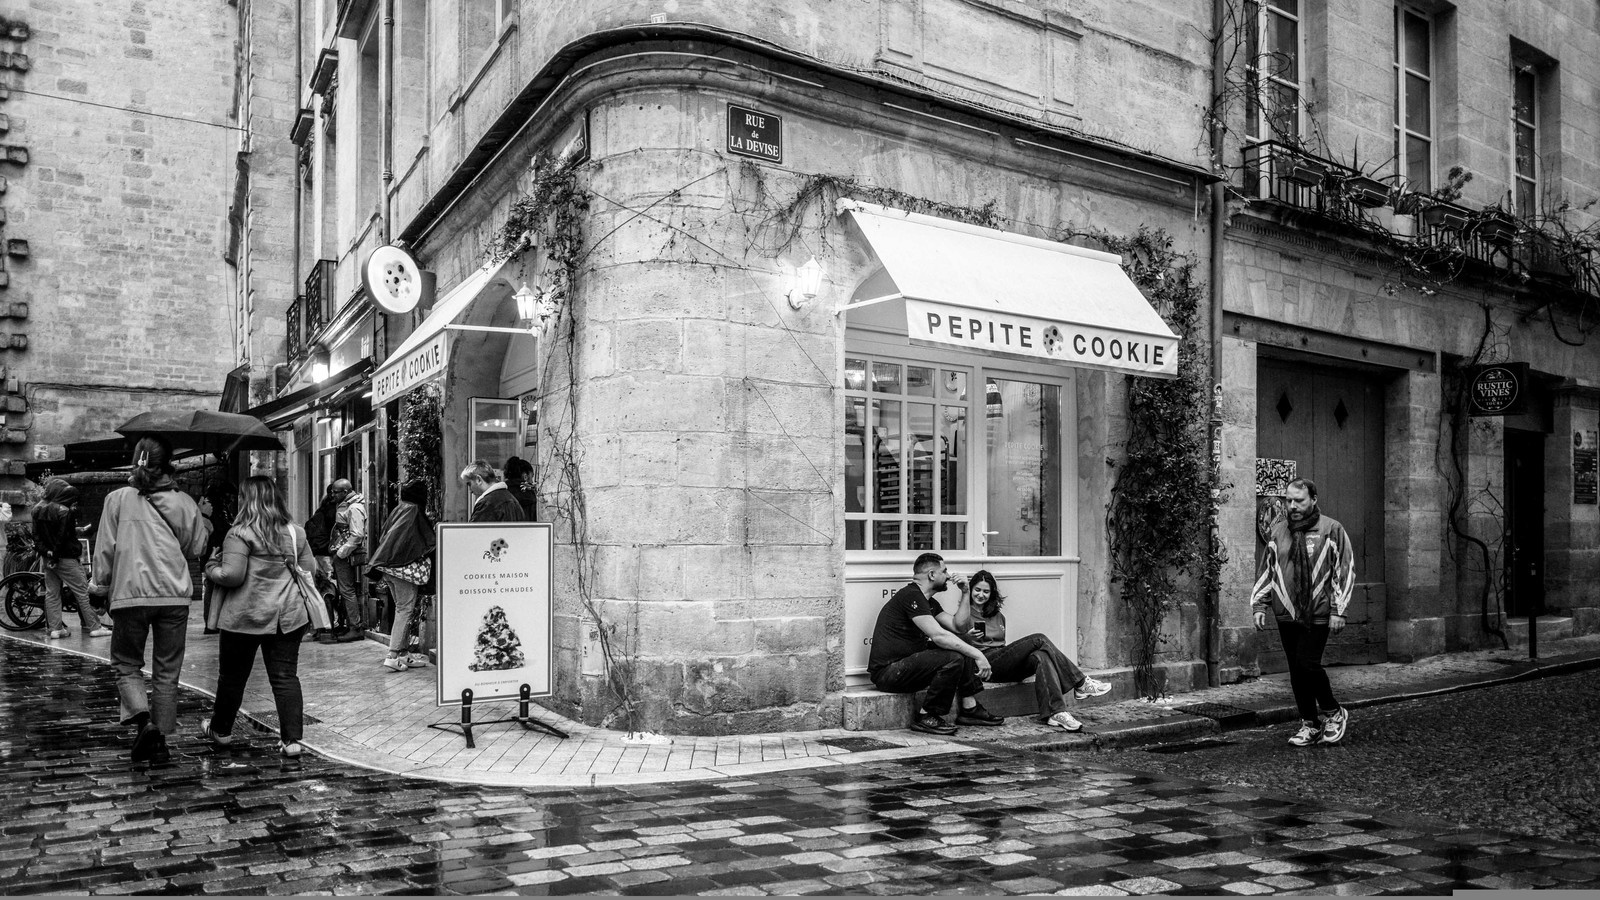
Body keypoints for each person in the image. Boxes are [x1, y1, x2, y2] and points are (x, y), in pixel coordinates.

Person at [93, 436, 211, 764]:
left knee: (126, 663)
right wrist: (202, 518)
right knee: (167, 669)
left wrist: (100, 587)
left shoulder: (117, 499)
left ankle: (144, 722)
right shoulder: (184, 502)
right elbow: (196, 549)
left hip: (129, 594)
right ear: (168, 464)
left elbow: (105, 550)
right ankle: (159, 739)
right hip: (174, 595)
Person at [199, 476, 315, 758]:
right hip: (287, 615)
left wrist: (211, 567)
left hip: (245, 616)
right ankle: (292, 741)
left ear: (246, 501)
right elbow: (310, 569)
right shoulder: (296, 532)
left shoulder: (239, 534)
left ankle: (221, 730)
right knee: (285, 677)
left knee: (232, 677)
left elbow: (232, 575)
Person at [1252, 477, 1354, 747]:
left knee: (1308, 664)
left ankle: (1333, 712)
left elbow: (1344, 570)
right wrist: (1260, 605)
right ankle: (1310, 723)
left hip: (1317, 611)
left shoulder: (1332, 529)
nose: (1293, 506)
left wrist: (1338, 610)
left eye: (1299, 500)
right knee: (1296, 671)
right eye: (1289, 500)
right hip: (1286, 612)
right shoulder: (1279, 531)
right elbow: (1267, 569)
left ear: (1313, 500)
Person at [945, 570, 1110, 732]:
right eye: (977, 590)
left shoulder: (998, 616)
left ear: (992, 593)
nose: (981, 595)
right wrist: (967, 636)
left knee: (1041, 655)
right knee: (1039, 639)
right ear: (971, 590)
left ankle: (1056, 712)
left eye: (986, 591)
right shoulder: (964, 614)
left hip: (1002, 662)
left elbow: (1002, 646)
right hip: (983, 663)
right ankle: (1080, 683)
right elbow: (956, 644)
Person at [867, 552, 998, 735]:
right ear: (931, 575)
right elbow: (939, 636)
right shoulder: (910, 595)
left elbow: (958, 626)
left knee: (963, 640)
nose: (948, 576)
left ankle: (970, 708)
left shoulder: (928, 602)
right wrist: (978, 654)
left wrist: (966, 592)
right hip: (889, 673)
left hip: (907, 666)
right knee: (952, 657)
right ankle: (927, 716)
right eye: (944, 571)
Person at [367, 479, 436, 673]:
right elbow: (425, 541)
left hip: (388, 568)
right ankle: (392, 655)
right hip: (403, 570)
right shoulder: (414, 511)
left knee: (401, 608)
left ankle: (404, 654)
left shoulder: (399, 509)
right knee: (405, 609)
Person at [31, 478, 111, 639]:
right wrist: (56, 555)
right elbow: (61, 538)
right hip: (66, 558)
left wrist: (48, 553)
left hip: (47, 558)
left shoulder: (37, 510)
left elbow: (37, 536)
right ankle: (95, 626)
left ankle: (55, 629)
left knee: (52, 593)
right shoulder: (63, 511)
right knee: (82, 592)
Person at [328, 479, 368, 642]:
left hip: (345, 555)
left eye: (335, 492)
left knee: (347, 590)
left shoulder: (354, 507)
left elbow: (357, 535)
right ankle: (350, 625)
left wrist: (341, 553)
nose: (332, 495)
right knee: (345, 589)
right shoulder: (346, 504)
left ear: (346, 492)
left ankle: (355, 627)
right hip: (342, 553)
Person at [304, 484, 342, 643]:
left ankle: (321, 627)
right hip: (327, 554)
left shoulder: (321, 509)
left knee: (322, 589)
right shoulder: (334, 511)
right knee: (329, 590)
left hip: (317, 554)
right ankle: (329, 629)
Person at [198, 484, 234, 635]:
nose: (232, 499)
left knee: (212, 587)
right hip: (215, 552)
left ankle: (212, 622)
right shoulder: (215, 509)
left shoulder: (212, 506)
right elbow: (221, 528)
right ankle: (211, 623)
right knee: (213, 587)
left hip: (212, 552)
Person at [503, 456, 537, 520]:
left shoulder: (500, 494)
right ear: (525, 477)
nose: (532, 482)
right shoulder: (530, 495)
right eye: (531, 477)